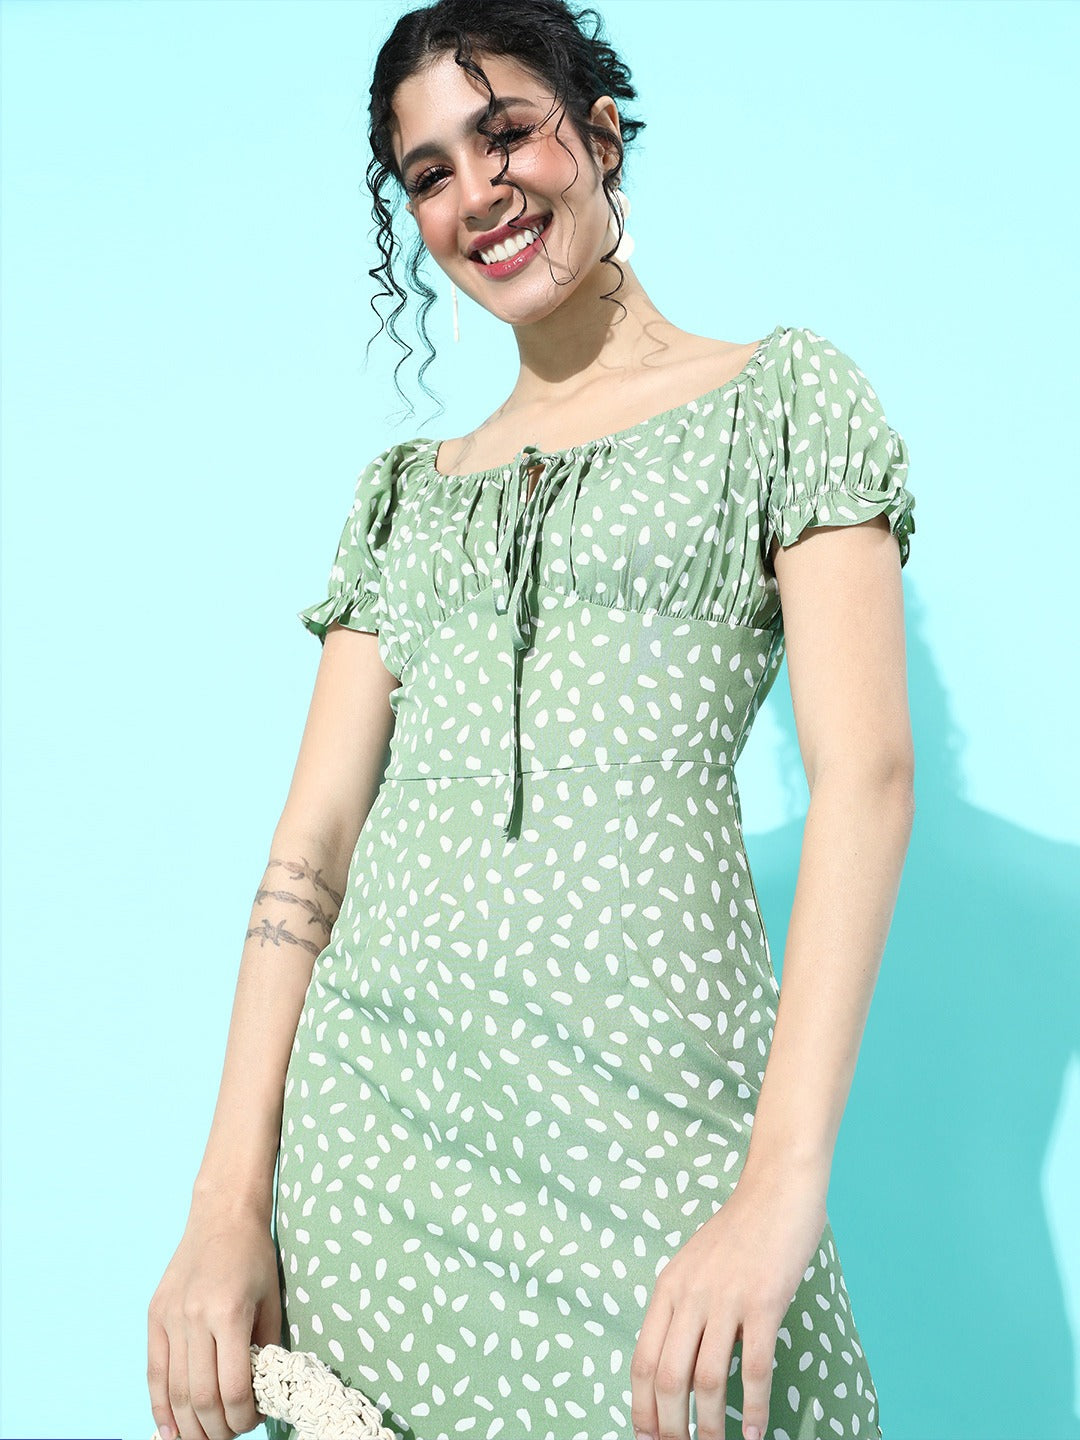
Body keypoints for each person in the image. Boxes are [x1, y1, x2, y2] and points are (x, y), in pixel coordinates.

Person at [146, 2, 917, 1439]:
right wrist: (222, 1208)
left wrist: (780, 1187)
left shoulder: (778, 402)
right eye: (430, 172)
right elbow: (311, 851)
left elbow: (866, 778)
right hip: (379, 1158)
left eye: (504, 133)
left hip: (655, 1133)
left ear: (601, 134)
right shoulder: (405, 497)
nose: (476, 193)